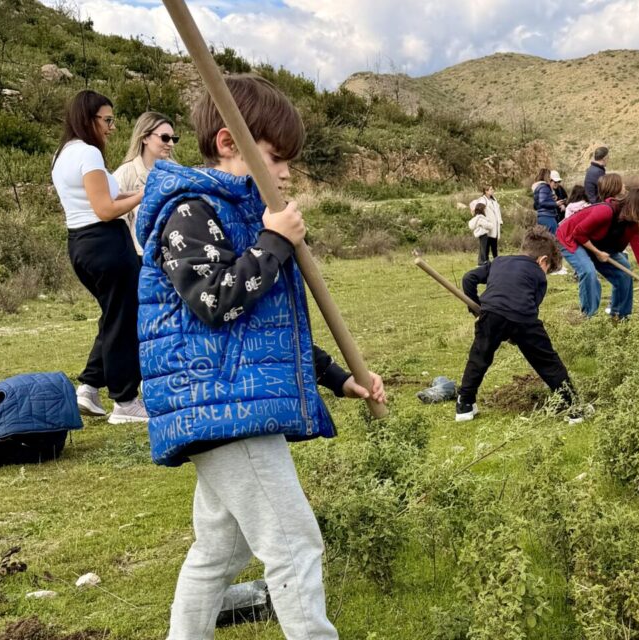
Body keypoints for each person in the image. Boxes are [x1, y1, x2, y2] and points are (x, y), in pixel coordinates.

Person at [134, 74, 387, 638]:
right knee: (294, 544)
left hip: (232, 404)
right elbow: (215, 302)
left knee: (217, 554)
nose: (287, 173)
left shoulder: (242, 216)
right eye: (276, 158)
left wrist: (340, 379)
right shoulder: (190, 211)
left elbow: (265, 332)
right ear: (231, 143)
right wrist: (272, 243)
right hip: (224, 407)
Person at [51, 90, 147, 425]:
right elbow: (105, 209)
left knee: (113, 315)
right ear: (88, 119)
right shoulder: (89, 154)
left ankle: (89, 386)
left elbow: (104, 196)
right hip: (106, 243)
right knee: (125, 317)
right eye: (107, 120)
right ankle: (125, 401)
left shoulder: (63, 154)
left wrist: (136, 193)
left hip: (80, 244)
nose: (112, 127)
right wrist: (143, 196)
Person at [457, 227, 581, 423]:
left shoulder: (499, 261)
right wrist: (517, 334)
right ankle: (574, 408)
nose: (546, 273)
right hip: (524, 319)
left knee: (479, 357)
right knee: (547, 362)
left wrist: (478, 310)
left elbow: (468, 279)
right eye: (548, 269)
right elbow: (530, 308)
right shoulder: (539, 277)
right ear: (543, 261)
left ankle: (464, 405)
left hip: (491, 315)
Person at [556, 175, 639, 319]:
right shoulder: (606, 211)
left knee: (624, 273)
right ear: (633, 206)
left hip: (596, 243)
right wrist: (597, 253)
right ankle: (589, 316)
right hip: (570, 237)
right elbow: (579, 234)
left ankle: (620, 315)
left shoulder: (632, 225)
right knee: (588, 272)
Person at [114, 111, 177, 254]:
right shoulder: (125, 174)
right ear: (145, 138)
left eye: (174, 138)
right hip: (140, 257)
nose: (171, 144)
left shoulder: (177, 171)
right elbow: (117, 223)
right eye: (165, 138)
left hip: (175, 257)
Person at [469, 185, 503, 265]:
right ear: (486, 191)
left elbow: (498, 212)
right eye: (491, 189)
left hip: (495, 225)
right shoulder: (482, 200)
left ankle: (496, 261)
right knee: (486, 246)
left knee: (494, 244)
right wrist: (480, 218)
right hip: (487, 225)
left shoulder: (494, 200)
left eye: (492, 189)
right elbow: (477, 208)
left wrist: (500, 221)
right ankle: (485, 262)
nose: (492, 190)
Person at [532, 168, 563, 233]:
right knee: (553, 239)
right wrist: (555, 204)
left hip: (541, 217)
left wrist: (552, 199)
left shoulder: (538, 187)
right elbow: (542, 202)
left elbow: (536, 205)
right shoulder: (544, 187)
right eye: (549, 176)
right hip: (548, 217)